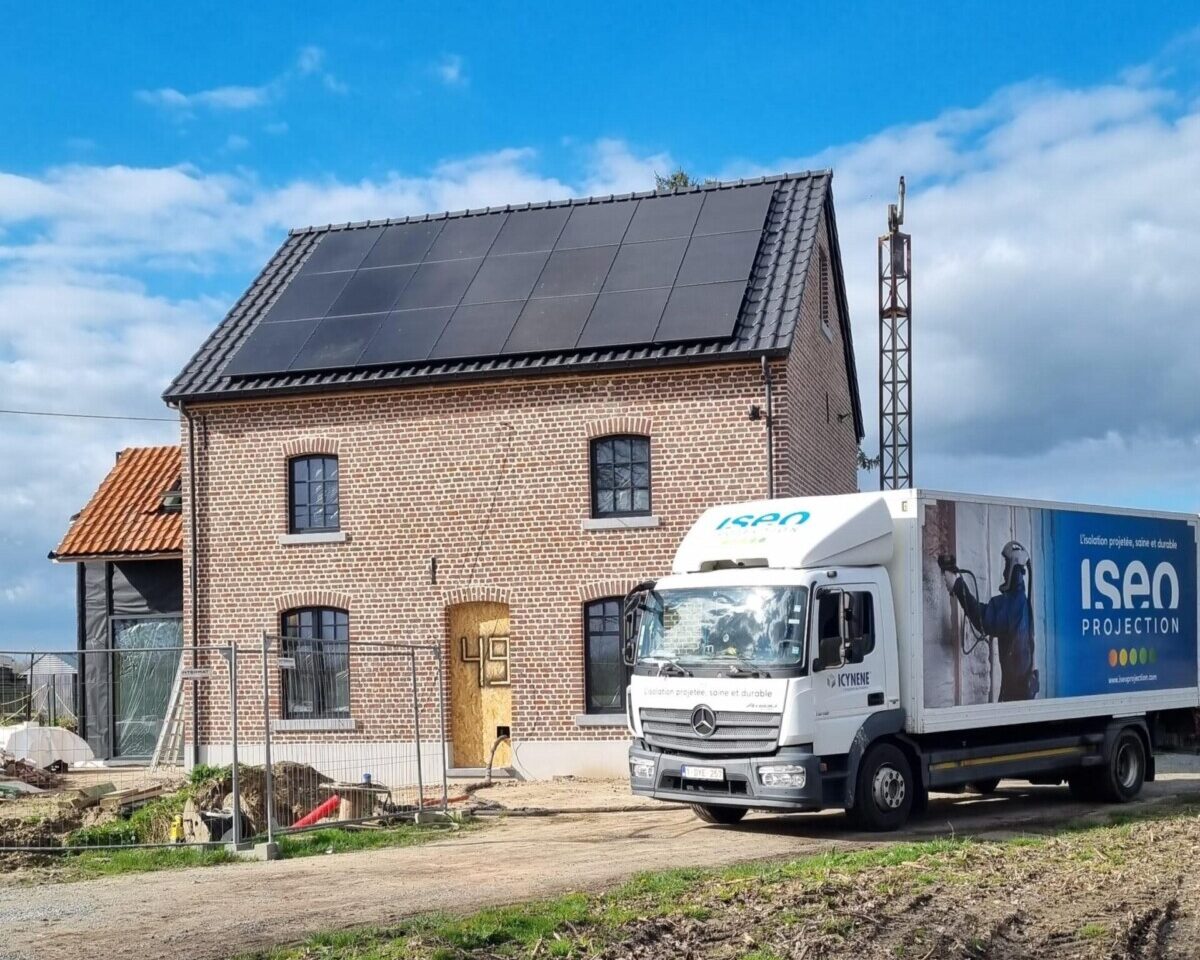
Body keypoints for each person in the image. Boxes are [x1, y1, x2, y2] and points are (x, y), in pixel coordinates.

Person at [943, 541, 1039, 701]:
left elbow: (982, 620)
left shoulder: (1014, 605)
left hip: (1014, 699)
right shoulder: (1021, 601)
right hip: (1018, 696)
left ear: (1013, 568)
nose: (1003, 573)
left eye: (1006, 566)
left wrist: (957, 585)